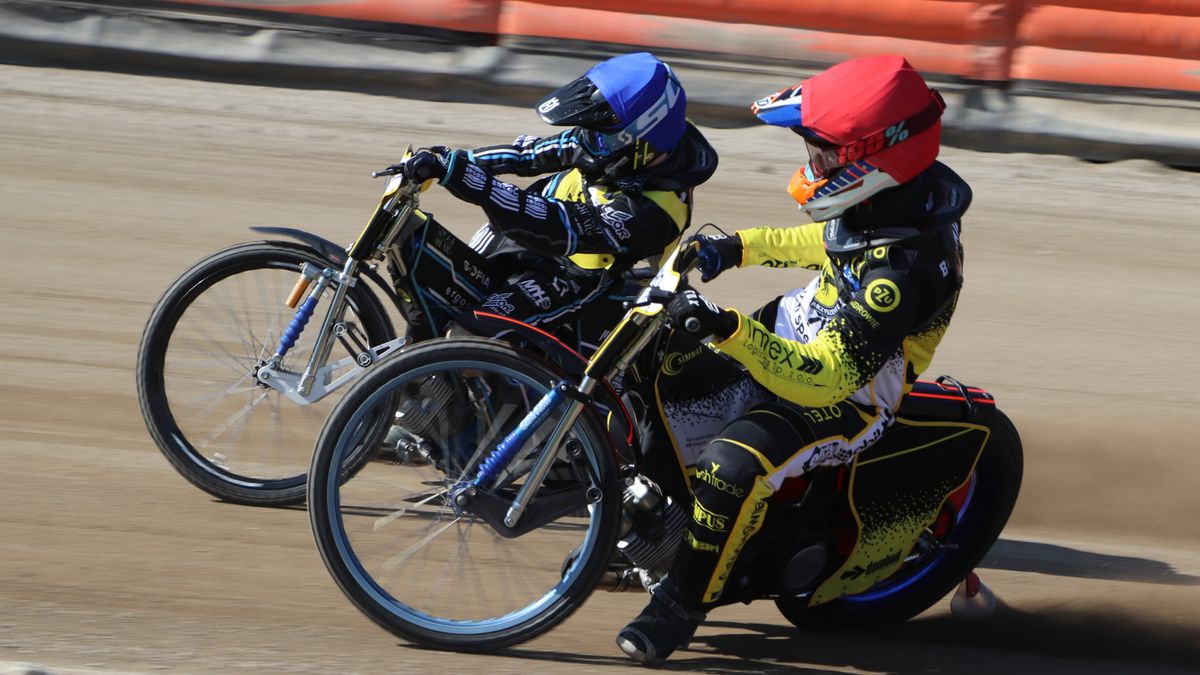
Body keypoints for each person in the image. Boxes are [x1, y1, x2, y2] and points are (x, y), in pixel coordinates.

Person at [615, 54, 973, 666]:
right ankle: (649, 534)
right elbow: (826, 244)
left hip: (846, 400)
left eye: (826, 153)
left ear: (876, 156)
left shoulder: (904, 269)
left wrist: (729, 331)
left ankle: (679, 604)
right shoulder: (887, 205)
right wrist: (739, 247)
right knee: (645, 369)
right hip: (787, 340)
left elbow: (828, 378)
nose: (813, 163)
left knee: (732, 467)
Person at [396, 51, 718, 352]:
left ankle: (475, 401)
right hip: (521, 237)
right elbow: (526, 155)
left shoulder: (659, 211)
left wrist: (472, 181)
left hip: (572, 279)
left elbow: (558, 225)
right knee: (437, 289)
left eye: (598, 136)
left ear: (640, 141)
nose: (585, 140)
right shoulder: (607, 140)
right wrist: (451, 160)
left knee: (470, 333)